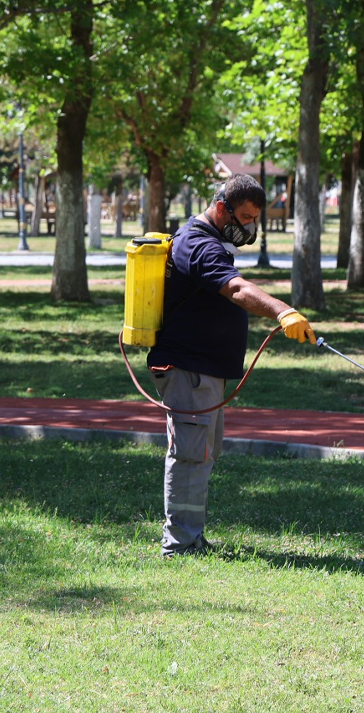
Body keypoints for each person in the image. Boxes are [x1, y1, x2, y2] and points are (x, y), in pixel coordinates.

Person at [146, 173, 316, 558]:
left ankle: (193, 537)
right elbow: (236, 288)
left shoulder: (211, 242)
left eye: (255, 218)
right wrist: (283, 311)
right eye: (244, 216)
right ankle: (179, 545)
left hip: (204, 370)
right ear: (222, 208)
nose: (249, 226)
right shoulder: (197, 243)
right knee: (189, 455)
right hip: (187, 368)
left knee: (203, 453)